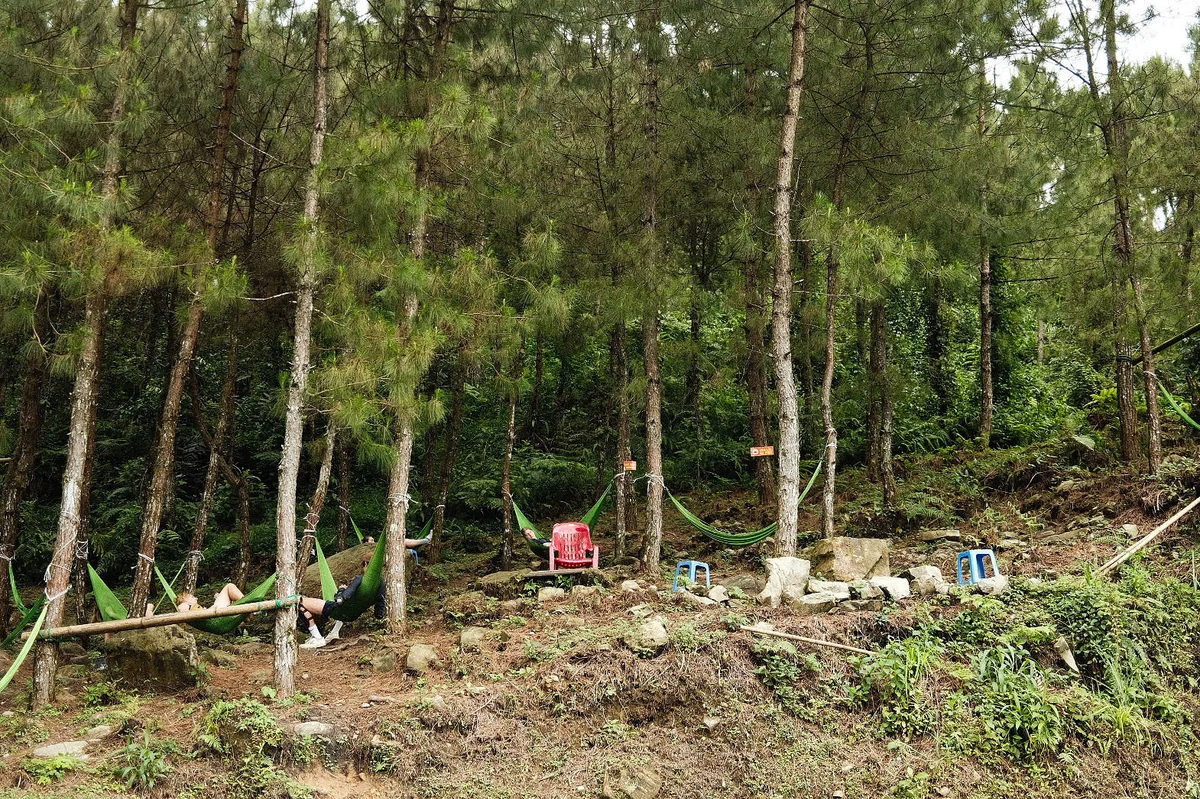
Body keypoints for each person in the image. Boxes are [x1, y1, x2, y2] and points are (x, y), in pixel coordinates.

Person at [320, 534, 431, 641]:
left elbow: (341, 599)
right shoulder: (381, 584)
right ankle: (331, 633)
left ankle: (317, 637)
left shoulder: (359, 579)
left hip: (340, 609)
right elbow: (379, 607)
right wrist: (379, 616)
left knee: (304, 603)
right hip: (354, 613)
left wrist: (341, 590)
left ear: (365, 564)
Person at [174, 583, 332, 649]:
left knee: (228, 588)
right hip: (217, 619)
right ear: (185, 599)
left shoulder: (192, 607)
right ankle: (250, 609)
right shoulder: (184, 606)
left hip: (217, 616)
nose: (195, 597)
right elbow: (183, 612)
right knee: (229, 587)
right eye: (191, 596)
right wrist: (193, 606)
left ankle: (248, 611)